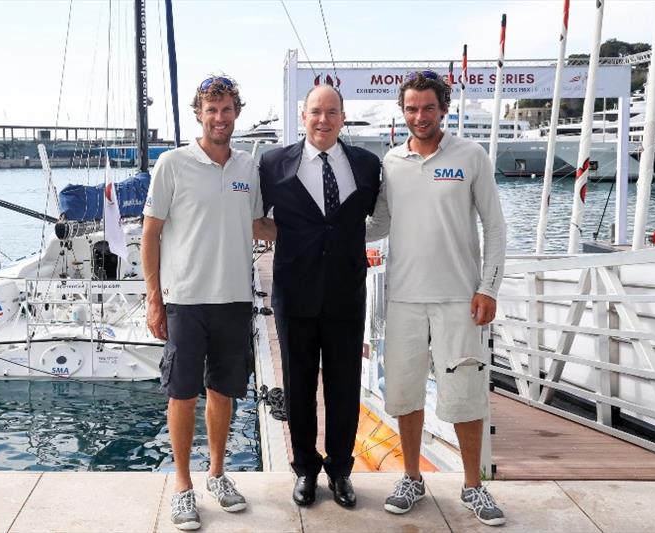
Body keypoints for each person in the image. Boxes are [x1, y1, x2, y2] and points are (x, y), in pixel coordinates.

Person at [366, 71, 507, 526]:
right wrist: (320, 230)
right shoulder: (391, 161)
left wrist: (489, 287)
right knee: (405, 393)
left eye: (428, 107)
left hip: (459, 299)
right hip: (403, 298)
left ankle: (473, 485)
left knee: (465, 394)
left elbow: (496, 227)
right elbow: (379, 225)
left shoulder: (471, 155)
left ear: (443, 108)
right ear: (402, 111)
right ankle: (411, 477)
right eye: (411, 108)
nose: (419, 116)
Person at [142, 75, 272, 531]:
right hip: (185, 300)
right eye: (211, 110)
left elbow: (258, 225)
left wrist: (316, 229)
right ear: (199, 114)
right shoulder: (172, 164)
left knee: (223, 391)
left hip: (234, 298)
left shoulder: (247, 168)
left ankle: (217, 474)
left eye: (227, 109)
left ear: (237, 113)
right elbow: (151, 234)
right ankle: (182, 485)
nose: (220, 118)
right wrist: (154, 300)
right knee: (182, 393)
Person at [258, 84, 381, 508]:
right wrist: (291, 237)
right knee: (298, 387)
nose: (323, 119)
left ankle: (342, 470)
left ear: (343, 117)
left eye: (331, 111)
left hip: (346, 293)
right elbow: (255, 219)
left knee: (345, 386)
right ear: (303, 116)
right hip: (294, 293)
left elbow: (377, 220)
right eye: (315, 111)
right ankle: (306, 470)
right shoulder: (273, 164)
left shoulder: (367, 165)